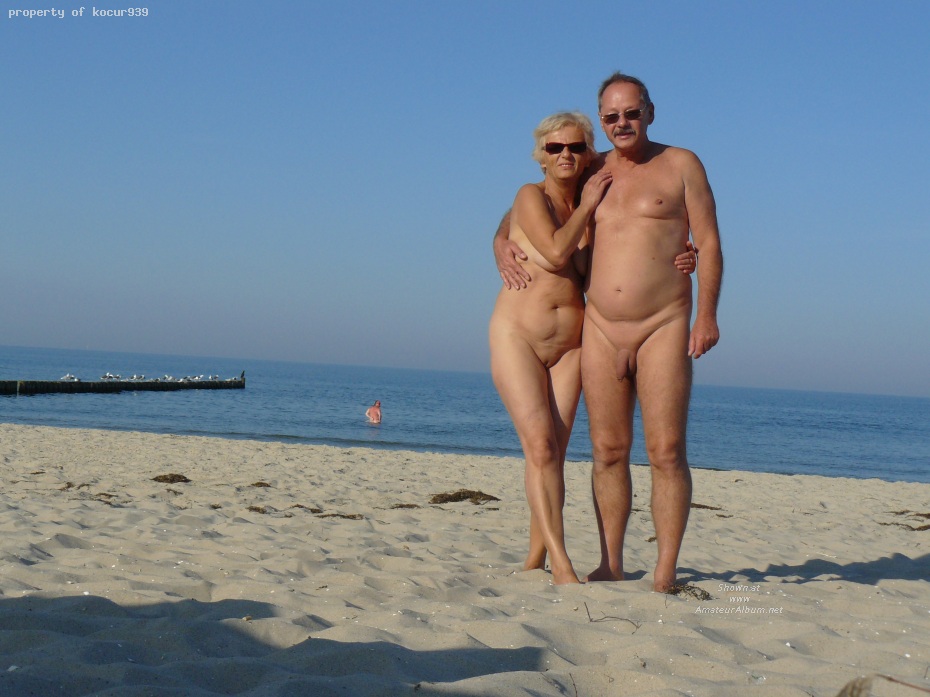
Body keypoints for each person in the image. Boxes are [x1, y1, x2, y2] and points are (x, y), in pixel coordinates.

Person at [495, 72, 723, 592]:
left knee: (666, 450)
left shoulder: (682, 164)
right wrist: (498, 243)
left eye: (632, 113)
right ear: (601, 121)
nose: (623, 123)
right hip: (598, 326)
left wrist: (707, 316)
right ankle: (610, 564)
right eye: (612, 116)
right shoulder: (592, 167)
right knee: (608, 451)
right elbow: (527, 206)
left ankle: (664, 571)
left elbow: (708, 242)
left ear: (650, 112)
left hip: (663, 322)